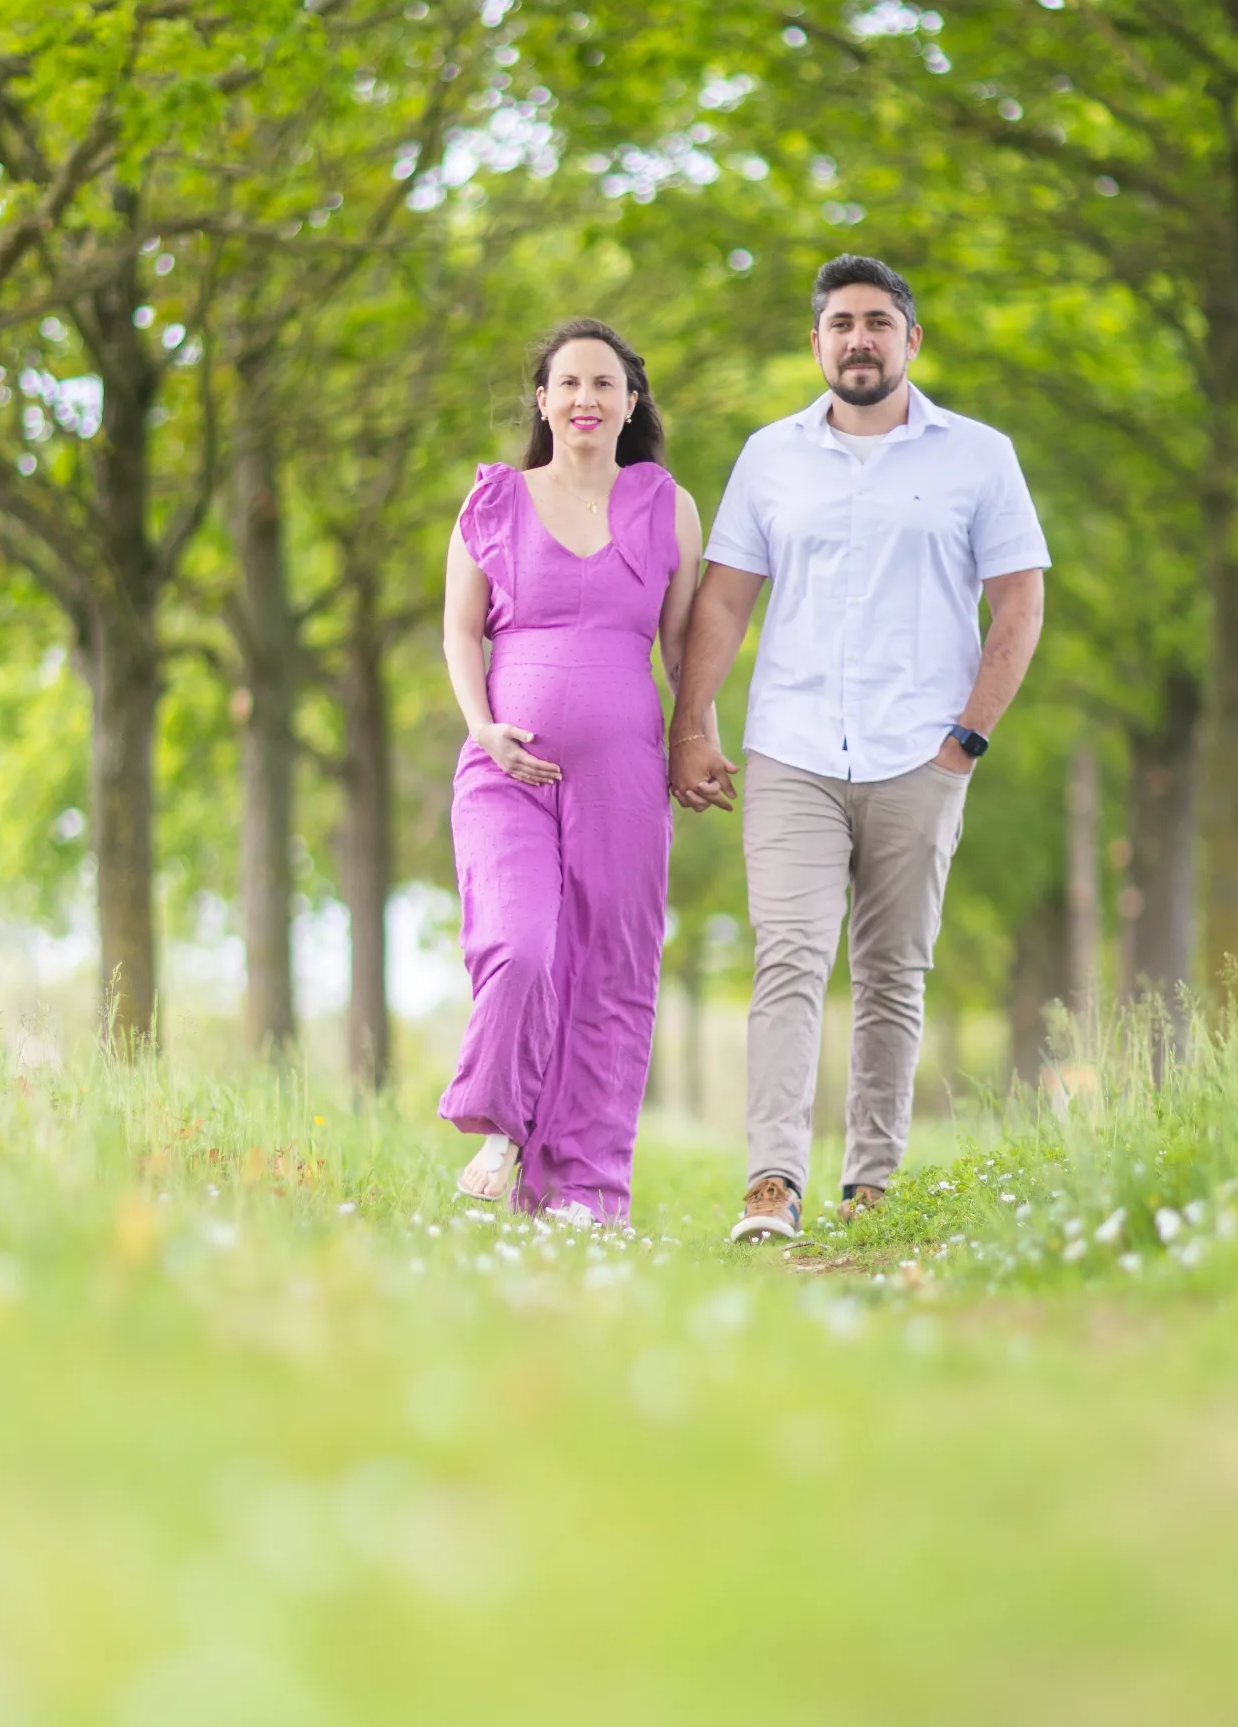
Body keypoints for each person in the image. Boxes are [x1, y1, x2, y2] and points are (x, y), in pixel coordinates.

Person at [669, 256, 1048, 1243]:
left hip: (922, 752)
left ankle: (870, 1183)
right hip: (793, 747)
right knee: (787, 960)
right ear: (818, 344)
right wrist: (693, 721)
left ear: (911, 340)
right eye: (841, 323)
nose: (860, 338)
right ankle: (771, 1185)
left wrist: (968, 737)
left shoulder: (978, 456)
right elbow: (722, 599)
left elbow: (1019, 600)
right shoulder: (770, 457)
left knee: (892, 972)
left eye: (879, 321)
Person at [439, 319, 708, 1221]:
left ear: (631, 404)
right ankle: (502, 1122)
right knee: (522, 947)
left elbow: (681, 647)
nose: (587, 398)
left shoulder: (667, 505)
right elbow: (457, 633)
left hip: (625, 773)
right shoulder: (494, 502)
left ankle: (586, 1191)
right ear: (543, 402)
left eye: (606, 384)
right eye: (570, 384)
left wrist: (694, 741)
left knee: (612, 971)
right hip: (506, 770)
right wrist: (484, 729)